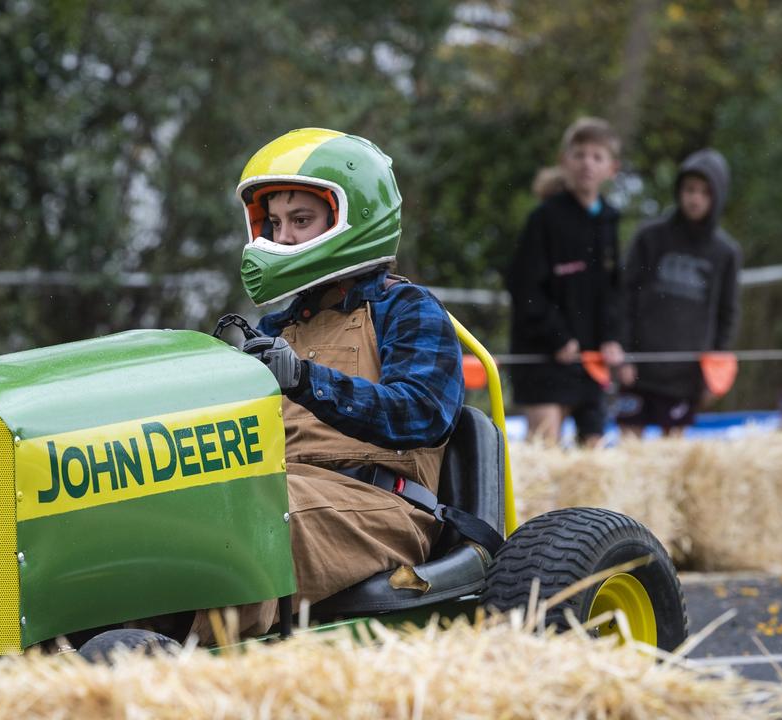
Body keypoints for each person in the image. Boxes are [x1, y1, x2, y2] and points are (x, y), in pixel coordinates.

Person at [203, 128, 464, 639]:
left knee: (250, 525)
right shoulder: (277, 328)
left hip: (383, 504)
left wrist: (304, 379)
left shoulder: (406, 309)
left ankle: (180, 668)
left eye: (301, 220)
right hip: (284, 487)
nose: (283, 238)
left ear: (354, 220)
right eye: (274, 223)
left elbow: (422, 413)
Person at [506, 117, 624, 446]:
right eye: (579, 154)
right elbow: (524, 287)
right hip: (545, 357)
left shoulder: (610, 221)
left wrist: (613, 338)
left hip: (592, 361)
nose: (587, 163)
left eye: (597, 156)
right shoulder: (543, 219)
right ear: (564, 161)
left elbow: (614, 290)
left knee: (594, 453)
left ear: (611, 168)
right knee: (546, 450)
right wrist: (558, 338)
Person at [617, 149, 741, 436]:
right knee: (628, 451)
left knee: (673, 453)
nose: (695, 198)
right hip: (638, 369)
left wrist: (715, 373)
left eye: (704, 192)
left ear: (717, 197)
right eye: (689, 189)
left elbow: (728, 313)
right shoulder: (650, 236)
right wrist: (624, 353)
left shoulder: (726, 252)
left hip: (686, 377)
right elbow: (625, 297)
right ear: (679, 191)